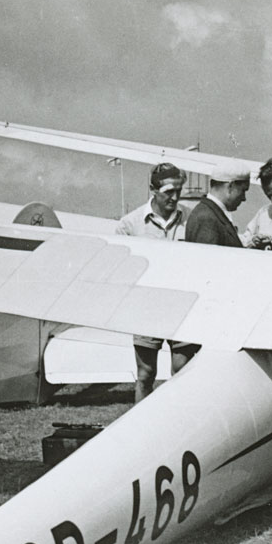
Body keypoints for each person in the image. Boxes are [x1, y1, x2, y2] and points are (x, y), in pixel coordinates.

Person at [115, 162, 198, 402]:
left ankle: (182, 424)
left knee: (182, 371)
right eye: (168, 192)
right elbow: (122, 268)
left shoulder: (191, 219)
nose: (175, 197)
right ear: (153, 190)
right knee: (145, 373)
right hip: (146, 309)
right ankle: (140, 427)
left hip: (183, 308)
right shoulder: (129, 224)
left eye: (178, 191)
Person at [184, 159, 250, 247]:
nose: (244, 198)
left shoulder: (209, 213)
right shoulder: (207, 219)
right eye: (243, 190)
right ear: (230, 186)